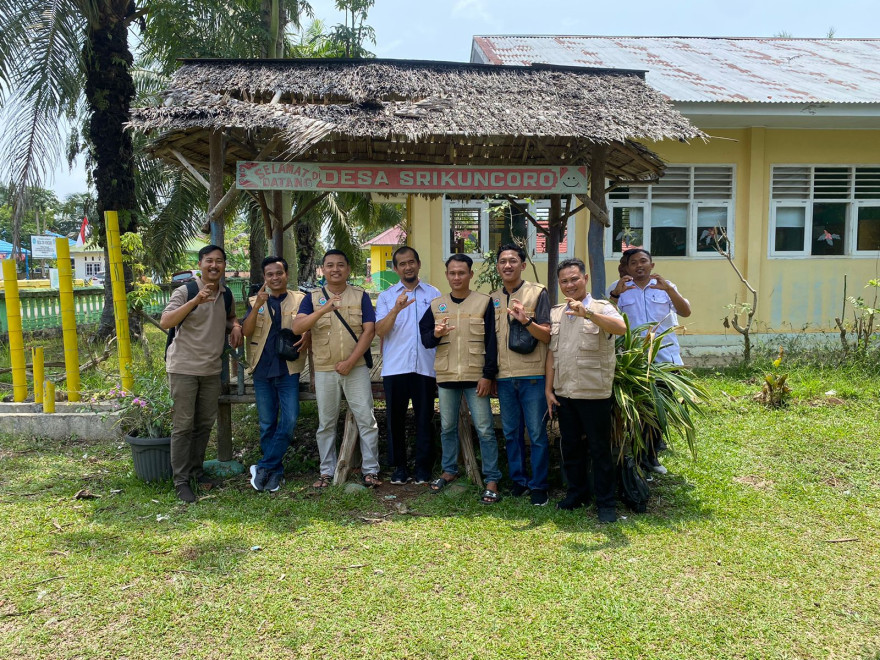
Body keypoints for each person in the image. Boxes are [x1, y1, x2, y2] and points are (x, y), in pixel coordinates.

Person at [292, 250, 382, 489]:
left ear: (348, 269)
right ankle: (326, 471)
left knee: (366, 419)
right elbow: (297, 327)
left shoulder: (360, 296)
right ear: (323, 270)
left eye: (340, 265)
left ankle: (370, 470)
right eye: (330, 265)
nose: (335, 269)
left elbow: (369, 331)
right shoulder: (311, 298)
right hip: (325, 369)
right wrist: (323, 310)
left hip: (356, 367)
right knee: (326, 423)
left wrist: (351, 361)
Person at [545, 258, 626, 523]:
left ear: (585, 279)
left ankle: (606, 502)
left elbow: (621, 328)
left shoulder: (602, 307)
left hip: (594, 393)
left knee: (599, 449)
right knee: (570, 447)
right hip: (565, 393)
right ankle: (577, 494)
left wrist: (588, 313)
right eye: (564, 281)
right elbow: (552, 353)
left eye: (574, 279)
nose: (569, 285)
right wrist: (548, 389)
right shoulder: (557, 312)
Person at [161, 245, 243, 503]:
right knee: (183, 426)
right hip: (183, 367)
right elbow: (166, 321)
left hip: (211, 369)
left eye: (219, 261)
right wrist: (195, 301)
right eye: (209, 260)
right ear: (200, 264)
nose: (214, 265)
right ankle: (181, 481)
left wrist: (236, 325)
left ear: (224, 266)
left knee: (204, 424)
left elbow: (229, 317)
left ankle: (196, 472)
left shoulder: (226, 294)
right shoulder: (186, 291)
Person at [419, 254, 501, 504]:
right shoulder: (436, 305)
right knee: (447, 427)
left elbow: (492, 342)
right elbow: (426, 340)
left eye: (461, 273)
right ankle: (449, 470)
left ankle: (492, 479)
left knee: (485, 429)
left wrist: (488, 375)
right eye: (452, 273)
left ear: (470, 275)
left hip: (476, 377)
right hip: (446, 376)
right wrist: (436, 333)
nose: (457, 277)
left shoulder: (484, 302)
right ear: (447, 275)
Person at [607, 248, 691, 473]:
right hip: (632, 363)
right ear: (627, 267)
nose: (639, 265)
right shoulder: (618, 288)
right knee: (638, 411)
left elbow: (686, 312)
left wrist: (670, 290)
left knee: (659, 409)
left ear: (652, 265)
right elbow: (606, 319)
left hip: (665, 360)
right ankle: (637, 456)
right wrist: (615, 294)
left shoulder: (665, 286)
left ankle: (651, 456)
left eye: (643, 261)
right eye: (634, 262)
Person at [241, 256, 309, 493]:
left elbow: (309, 325)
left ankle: (263, 467)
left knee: (289, 421)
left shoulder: (300, 299)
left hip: (288, 369)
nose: (275, 278)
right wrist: (257, 306)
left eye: (279, 273)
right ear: (264, 278)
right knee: (267, 423)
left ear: (286, 275)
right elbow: (246, 331)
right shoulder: (255, 300)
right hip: (262, 368)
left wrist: (307, 334)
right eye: (270, 274)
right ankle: (275, 473)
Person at [491, 243, 552, 506]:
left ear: (523, 265)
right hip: (504, 377)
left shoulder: (537, 292)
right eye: (503, 261)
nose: (508, 265)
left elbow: (547, 335)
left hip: (533, 376)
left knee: (536, 434)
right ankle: (519, 480)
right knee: (511, 433)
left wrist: (526, 320)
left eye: (513, 261)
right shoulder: (493, 298)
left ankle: (539, 485)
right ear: (497, 267)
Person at [375, 246, 441, 485]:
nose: (408, 267)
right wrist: (396, 309)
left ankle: (423, 467)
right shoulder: (386, 297)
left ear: (418, 264)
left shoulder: (434, 294)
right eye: (402, 264)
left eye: (411, 262)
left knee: (424, 418)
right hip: (396, 367)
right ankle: (399, 467)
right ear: (395, 269)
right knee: (395, 419)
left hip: (425, 366)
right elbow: (380, 331)